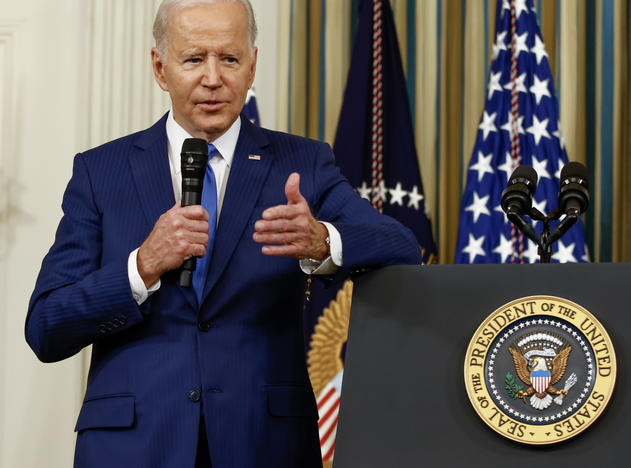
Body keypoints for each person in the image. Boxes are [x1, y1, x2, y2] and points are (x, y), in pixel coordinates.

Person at [25, 0, 420, 467]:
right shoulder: (100, 172)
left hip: (264, 445)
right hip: (133, 448)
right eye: (193, 58)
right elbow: (46, 327)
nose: (213, 78)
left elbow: (402, 247)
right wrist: (141, 266)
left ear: (252, 67)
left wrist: (323, 241)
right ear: (160, 66)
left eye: (229, 59)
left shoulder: (303, 163)